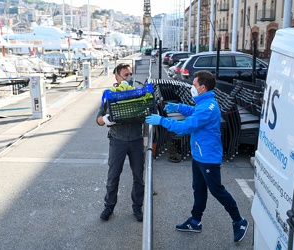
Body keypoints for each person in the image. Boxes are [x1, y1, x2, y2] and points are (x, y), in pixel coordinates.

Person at [145, 70, 249, 242]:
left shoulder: (208, 108)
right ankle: (195, 221)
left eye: (194, 85)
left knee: (217, 191)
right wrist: (178, 107)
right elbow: (194, 111)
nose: (192, 87)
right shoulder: (204, 102)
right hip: (200, 154)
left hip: (208, 157)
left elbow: (187, 126)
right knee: (198, 189)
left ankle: (239, 221)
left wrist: (162, 120)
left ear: (202, 87)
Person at [96, 63, 145, 222]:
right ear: (117, 77)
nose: (129, 78)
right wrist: (105, 119)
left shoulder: (138, 92)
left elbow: (148, 111)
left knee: (138, 176)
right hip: (118, 141)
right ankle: (109, 206)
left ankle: (137, 207)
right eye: (125, 75)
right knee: (113, 176)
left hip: (137, 140)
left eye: (130, 74)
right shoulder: (109, 94)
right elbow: (98, 119)